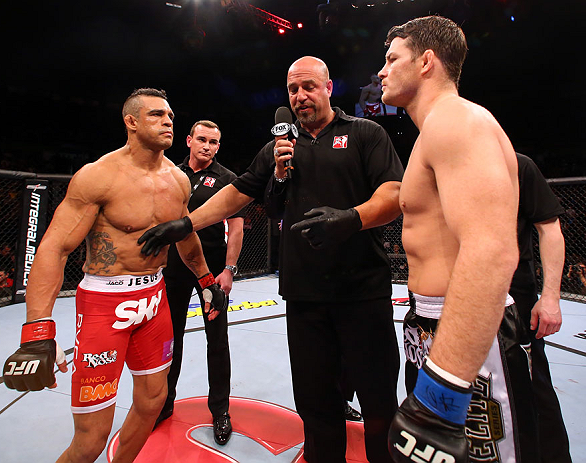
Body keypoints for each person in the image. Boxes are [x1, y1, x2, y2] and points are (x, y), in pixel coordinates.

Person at [138, 56, 404, 463]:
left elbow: (394, 195)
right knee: (315, 406)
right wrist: (185, 224)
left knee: (378, 401)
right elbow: (238, 193)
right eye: (293, 89)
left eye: (309, 87)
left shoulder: (365, 133)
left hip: (362, 292)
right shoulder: (278, 148)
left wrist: (350, 219)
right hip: (304, 296)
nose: (300, 96)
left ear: (329, 88)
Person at [2, 88, 227, 463]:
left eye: (170, 116)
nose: (167, 121)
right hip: (106, 304)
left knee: (153, 401)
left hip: (154, 300)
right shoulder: (99, 176)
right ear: (131, 121)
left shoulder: (178, 179)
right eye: (156, 115)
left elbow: (185, 237)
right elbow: (54, 247)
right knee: (91, 440)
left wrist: (205, 281)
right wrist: (37, 329)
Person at [378, 16, 536, 462]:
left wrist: (444, 387)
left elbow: (491, 249)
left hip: (467, 334)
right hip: (431, 324)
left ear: (427, 62)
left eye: (392, 59)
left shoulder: (456, 119)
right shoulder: (432, 133)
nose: (382, 71)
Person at [154, 120, 245, 446]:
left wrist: (230, 269)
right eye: (203, 140)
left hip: (212, 271)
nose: (208, 146)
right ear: (189, 140)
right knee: (169, 339)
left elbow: (235, 229)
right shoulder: (170, 174)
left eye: (214, 142)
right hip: (174, 270)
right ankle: (163, 404)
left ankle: (220, 410)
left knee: (217, 341)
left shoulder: (227, 180)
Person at [510, 153, 572, 463]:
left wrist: (550, 298)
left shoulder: (516, 164)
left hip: (514, 292)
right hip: (456, 294)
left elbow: (549, 228)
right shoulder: (437, 167)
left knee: (533, 386)